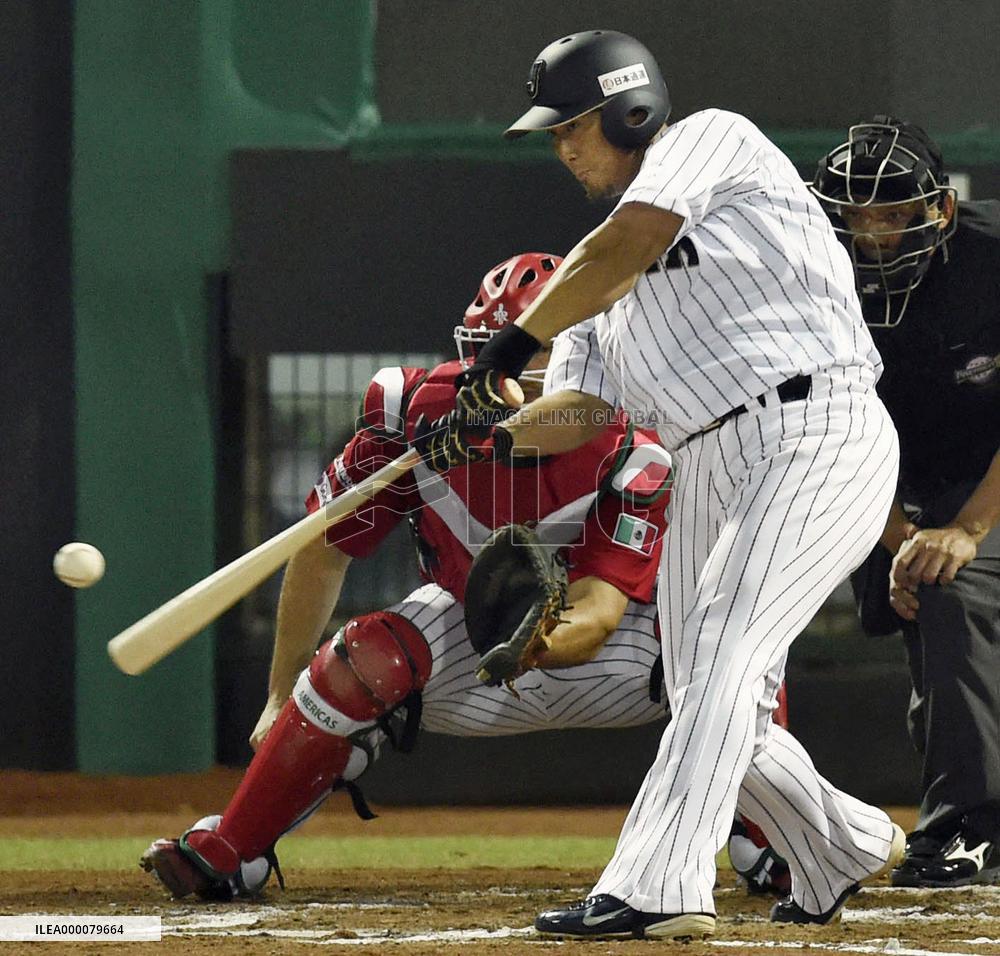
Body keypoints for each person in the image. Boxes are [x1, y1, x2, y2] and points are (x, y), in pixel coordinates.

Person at [414, 30, 904, 940]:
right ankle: (840, 843)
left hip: (815, 428)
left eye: (574, 125)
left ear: (632, 110)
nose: (563, 148)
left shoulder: (712, 139)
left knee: (724, 649)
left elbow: (630, 241)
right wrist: (482, 438)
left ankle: (660, 884)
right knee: (702, 687)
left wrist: (510, 343)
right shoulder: (593, 294)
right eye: (554, 133)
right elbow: (580, 414)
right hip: (703, 461)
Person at [139, 252, 676, 901]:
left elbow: (600, 610)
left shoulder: (636, 443)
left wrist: (534, 638)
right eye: (494, 351)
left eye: (529, 353)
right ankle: (235, 847)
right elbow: (325, 547)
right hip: (472, 634)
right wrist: (282, 695)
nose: (502, 375)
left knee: (731, 667)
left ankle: (768, 844)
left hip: (625, 657)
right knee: (361, 660)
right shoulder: (412, 415)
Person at [812, 117, 1000, 888]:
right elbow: (820, 425)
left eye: (893, 211)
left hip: (986, 474)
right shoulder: (806, 276)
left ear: (941, 209)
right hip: (880, 479)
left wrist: (967, 529)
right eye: (857, 214)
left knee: (952, 589)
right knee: (923, 607)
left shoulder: (992, 259)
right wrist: (899, 539)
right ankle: (769, 831)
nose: (874, 233)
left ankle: (969, 825)